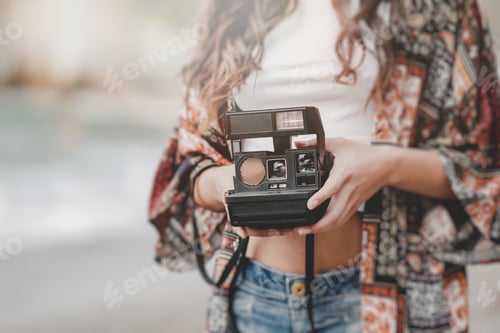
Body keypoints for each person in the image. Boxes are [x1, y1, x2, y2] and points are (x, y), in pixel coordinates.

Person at [148, 0, 500, 332]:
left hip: (387, 295)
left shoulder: (432, 8)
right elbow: (190, 168)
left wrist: (385, 165)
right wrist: (233, 184)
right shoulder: (231, 9)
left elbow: (483, 165)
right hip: (255, 289)